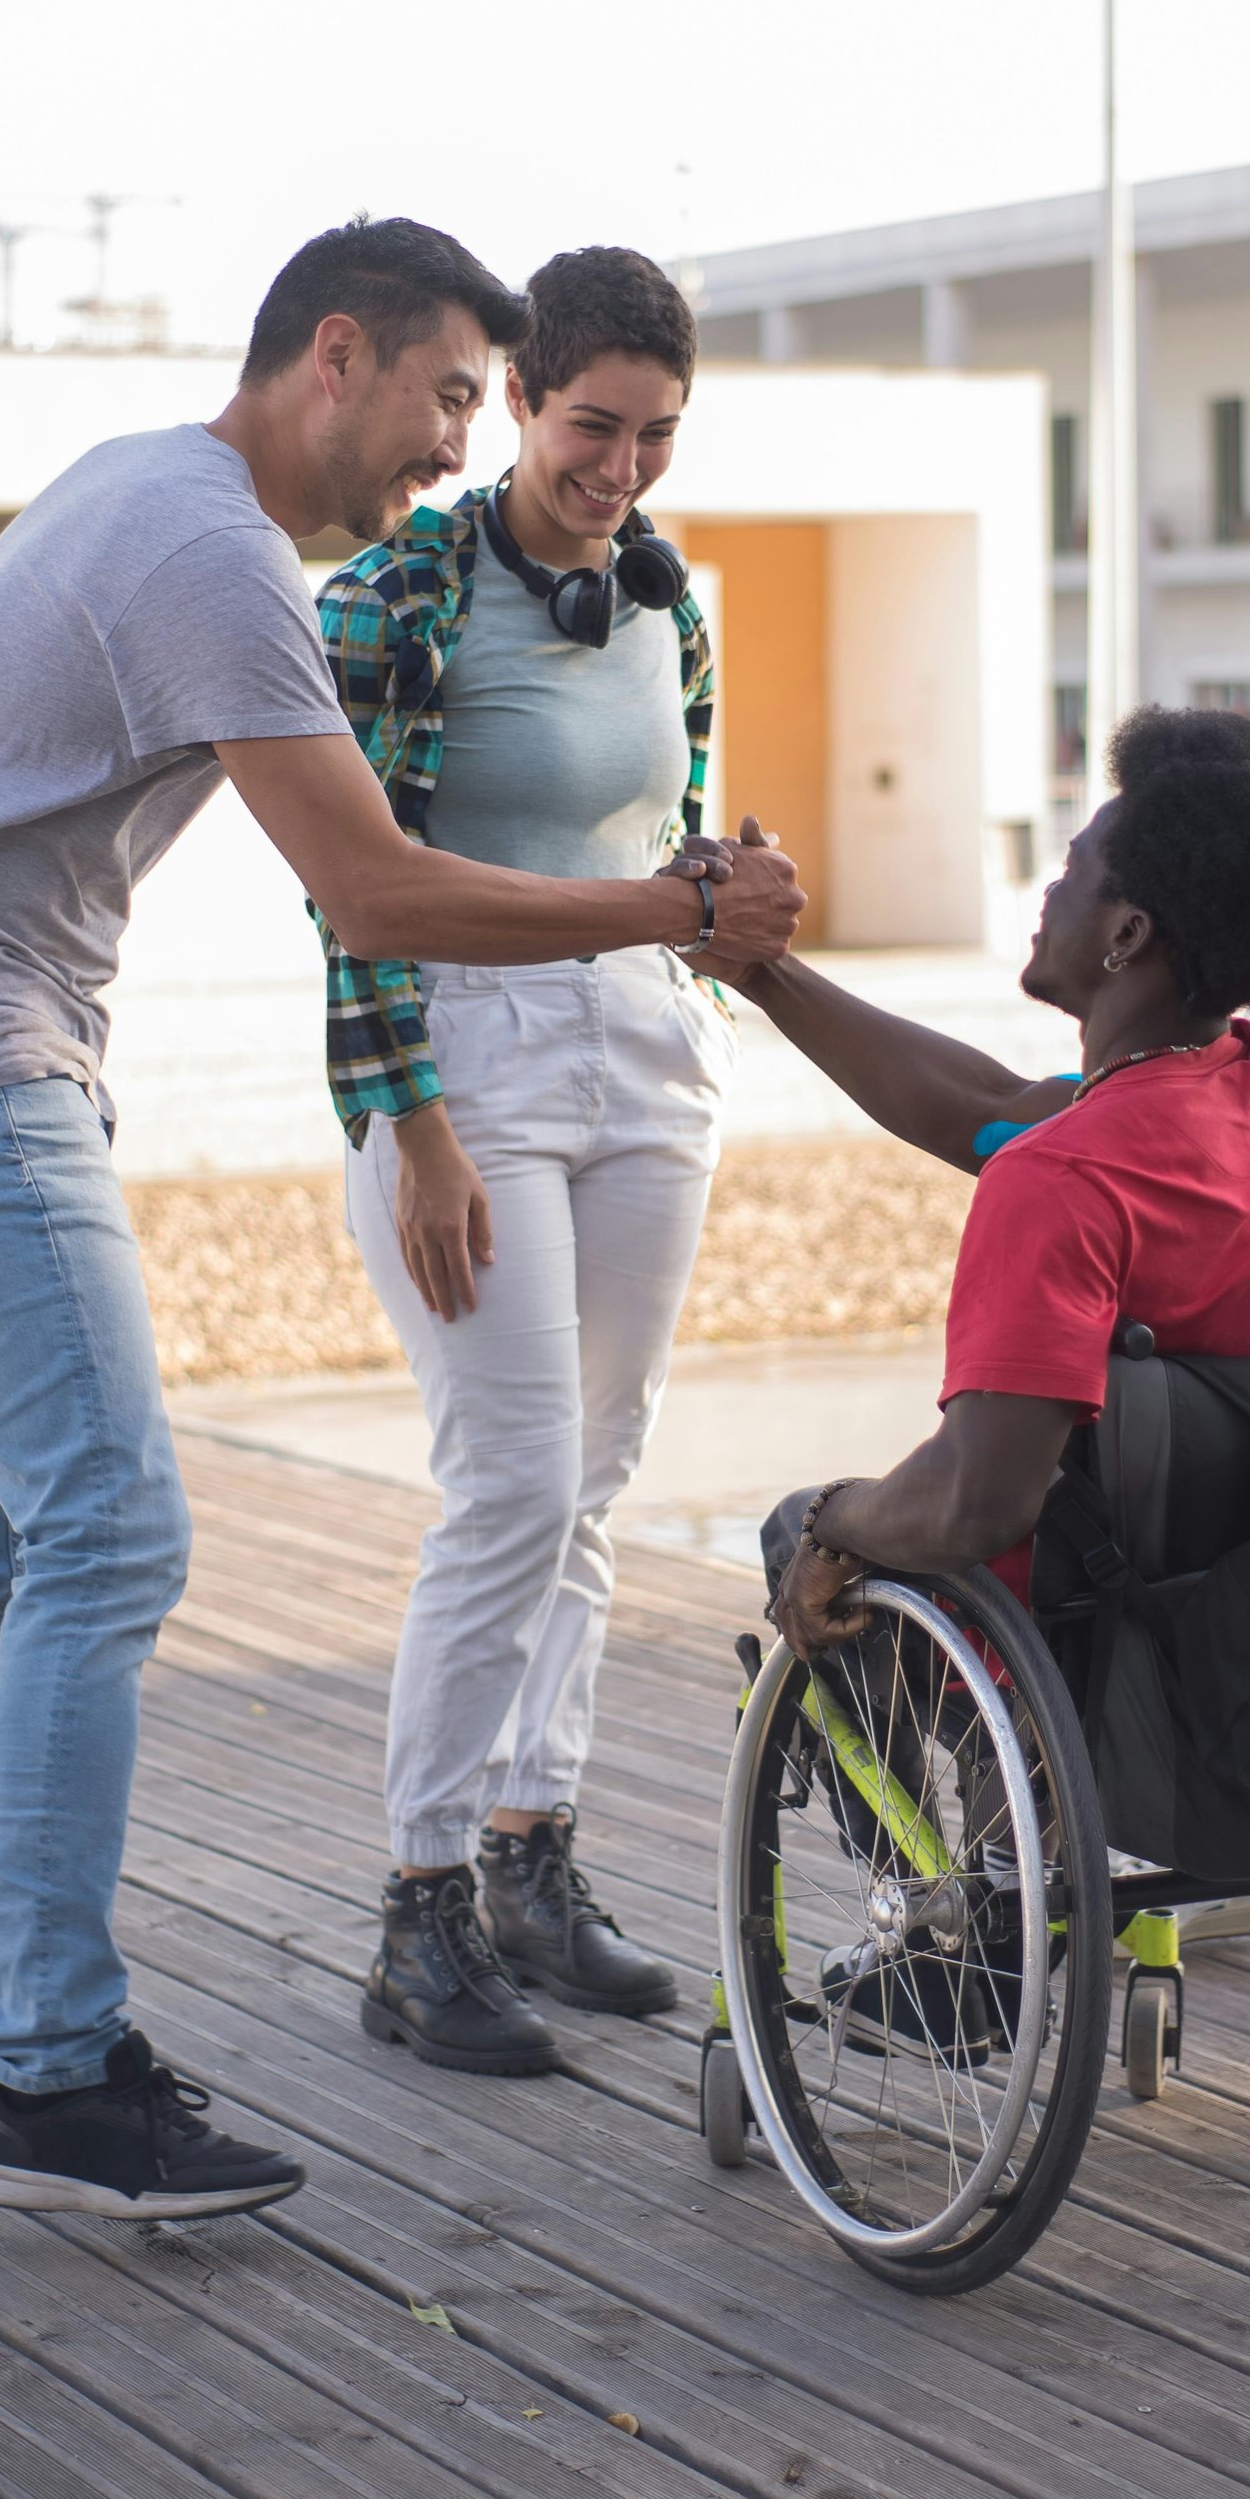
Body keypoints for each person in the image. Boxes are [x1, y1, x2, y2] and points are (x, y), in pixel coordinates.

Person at [0, 214, 803, 2220]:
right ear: (336, 352)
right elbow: (380, 887)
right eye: (441, 402)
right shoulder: (223, 553)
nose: (447, 447)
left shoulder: (142, 486)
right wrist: (676, 911)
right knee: (108, 1533)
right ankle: (52, 2081)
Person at [319, 247, 741, 2074]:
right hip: (467, 1061)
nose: (622, 468)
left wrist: (732, 921)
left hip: (644, 1047)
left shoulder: (676, 602)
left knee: (598, 1474)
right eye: (593, 425)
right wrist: (407, 1124)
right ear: (517, 400)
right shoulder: (394, 591)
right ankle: (415, 1916)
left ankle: (530, 1861)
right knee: (507, 1481)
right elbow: (353, 891)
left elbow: (678, 834)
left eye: (655, 436)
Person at [693, 706, 1250, 1657]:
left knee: (799, 1528)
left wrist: (833, 1521)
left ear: (1126, 933)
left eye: (1070, 871)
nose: (1047, 893)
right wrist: (765, 976)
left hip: (1093, 1630)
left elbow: (979, 1505)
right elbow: (985, 1102)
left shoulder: (1057, 1175)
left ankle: (969, 1805)